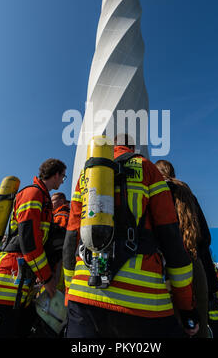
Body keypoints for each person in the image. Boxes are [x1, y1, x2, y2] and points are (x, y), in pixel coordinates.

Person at [63, 134, 199, 338]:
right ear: (132, 147)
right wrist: (187, 307)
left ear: (114, 146)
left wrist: (69, 292)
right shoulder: (147, 168)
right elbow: (170, 234)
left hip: (83, 295)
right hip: (143, 302)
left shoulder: (87, 174)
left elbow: (71, 238)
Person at [0, 158, 67, 338]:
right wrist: (47, 278)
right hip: (6, 285)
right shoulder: (33, 193)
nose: (62, 181)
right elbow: (29, 242)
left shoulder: (43, 198)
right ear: (55, 174)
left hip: (18, 287)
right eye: (62, 176)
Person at [155, 159, 218, 338]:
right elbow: (206, 237)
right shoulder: (188, 194)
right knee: (199, 326)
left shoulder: (158, 194)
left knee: (173, 325)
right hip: (195, 265)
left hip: (168, 268)